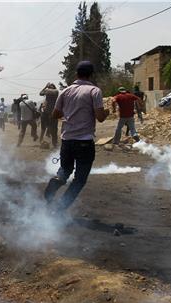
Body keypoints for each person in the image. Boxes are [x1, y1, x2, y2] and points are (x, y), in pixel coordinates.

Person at [44, 61, 109, 211]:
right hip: (85, 141)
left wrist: (69, 112)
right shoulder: (94, 91)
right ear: (91, 75)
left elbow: (55, 114)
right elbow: (100, 117)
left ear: (76, 74)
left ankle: (57, 180)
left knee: (65, 171)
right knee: (79, 180)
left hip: (67, 140)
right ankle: (61, 207)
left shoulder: (66, 91)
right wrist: (106, 112)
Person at [39, 83, 60, 147]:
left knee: (44, 127)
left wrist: (46, 86)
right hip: (54, 112)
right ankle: (54, 142)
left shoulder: (47, 91)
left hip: (46, 112)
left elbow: (40, 93)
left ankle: (41, 140)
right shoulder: (56, 91)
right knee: (54, 128)